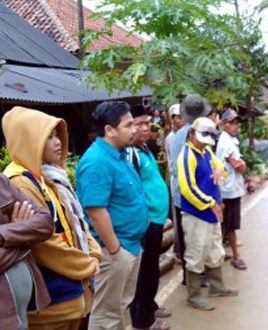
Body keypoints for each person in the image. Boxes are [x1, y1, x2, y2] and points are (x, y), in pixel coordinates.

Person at [2, 107, 103, 330]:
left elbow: (78, 220)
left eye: (57, 135)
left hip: (73, 292)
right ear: (29, 140)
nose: (58, 142)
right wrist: (85, 264)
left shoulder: (49, 176)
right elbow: (43, 241)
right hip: (53, 301)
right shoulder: (20, 183)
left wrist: (94, 252)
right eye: (48, 137)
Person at [75, 101, 149, 330]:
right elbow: (96, 212)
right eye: (128, 125)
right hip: (115, 249)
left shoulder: (119, 154)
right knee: (106, 312)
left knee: (118, 305)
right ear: (109, 130)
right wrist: (115, 249)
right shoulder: (96, 161)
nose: (134, 129)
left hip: (130, 244)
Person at [178, 117, 238, 311]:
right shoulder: (187, 156)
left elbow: (219, 165)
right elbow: (187, 189)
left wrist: (220, 170)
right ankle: (193, 295)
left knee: (214, 248)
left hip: (211, 212)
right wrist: (211, 203)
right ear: (191, 134)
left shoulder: (205, 151)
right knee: (195, 252)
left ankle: (217, 286)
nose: (204, 143)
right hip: (196, 213)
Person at [170, 94, 225, 286]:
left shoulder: (204, 136)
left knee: (207, 243)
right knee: (194, 244)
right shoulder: (184, 139)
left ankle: (207, 279)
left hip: (203, 197)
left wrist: (218, 171)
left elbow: (214, 163)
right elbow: (181, 173)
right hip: (189, 198)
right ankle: (192, 281)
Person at [127, 105, 171, 330]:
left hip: (156, 219)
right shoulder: (130, 153)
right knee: (144, 272)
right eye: (139, 124)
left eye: (147, 123)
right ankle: (143, 320)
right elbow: (132, 189)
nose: (145, 127)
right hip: (146, 222)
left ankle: (150, 304)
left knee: (152, 266)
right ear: (128, 126)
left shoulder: (144, 148)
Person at [0, 173, 53, 330]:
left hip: (20, 316)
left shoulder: (2, 181)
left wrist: (5, 234)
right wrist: (22, 237)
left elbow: (45, 222)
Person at [216, 108, 247, 270]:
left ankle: (220, 253)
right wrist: (242, 164)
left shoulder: (229, 140)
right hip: (228, 191)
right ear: (223, 124)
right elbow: (238, 165)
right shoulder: (226, 142)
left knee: (225, 225)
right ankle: (236, 256)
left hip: (230, 188)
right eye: (231, 123)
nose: (235, 126)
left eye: (236, 123)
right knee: (231, 225)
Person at [164, 104, 186, 265]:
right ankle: (179, 252)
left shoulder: (183, 135)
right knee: (178, 221)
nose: (183, 120)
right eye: (179, 117)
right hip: (178, 185)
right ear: (172, 119)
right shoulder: (172, 138)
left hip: (184, 184)